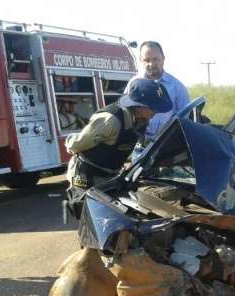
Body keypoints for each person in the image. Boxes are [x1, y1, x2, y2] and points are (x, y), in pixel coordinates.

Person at [64, 78, 172, 218]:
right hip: (87, 174)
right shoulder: (110, 120)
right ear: (139, 105)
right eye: (152, 108)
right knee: (90, 216)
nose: (156, 112)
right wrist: (70, 145)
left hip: (109, 174)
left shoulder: (141, 121)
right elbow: (77, 144)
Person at [128, 41, 190, 141]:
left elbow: (186, 119)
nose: (151, 64)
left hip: (165, 146)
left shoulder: (177, 87)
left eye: (156, 59)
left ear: (163, 59)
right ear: (141, 61)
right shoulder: (133, 84)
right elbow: (126, 111)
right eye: (146, 60)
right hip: (138, 146)